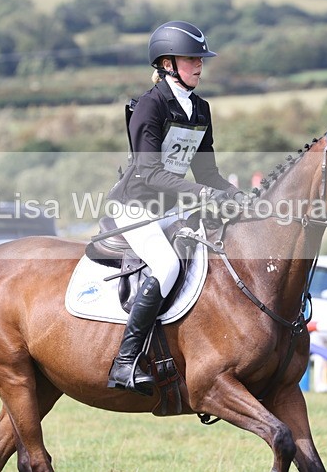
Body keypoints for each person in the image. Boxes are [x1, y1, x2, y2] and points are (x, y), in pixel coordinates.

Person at [105, 20, 246, 395]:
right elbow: (149, 173)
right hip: (135, 206)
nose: (200, 65)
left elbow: (207, 173)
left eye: (201, 59)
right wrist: (201, 195)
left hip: (172, 208)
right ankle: (125, 361)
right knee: (167, 265)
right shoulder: (149, 107)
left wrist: (239, 197)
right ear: (167, 64)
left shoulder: (200, 109)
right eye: (191, 59)